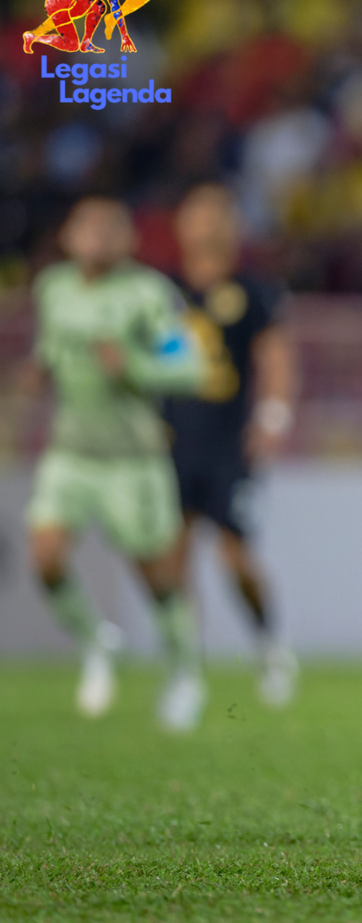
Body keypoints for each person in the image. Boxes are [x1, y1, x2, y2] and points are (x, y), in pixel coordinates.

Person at [25, 197, 207, 729]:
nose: (98, 236)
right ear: (67, 236)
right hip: (70, 451)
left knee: (156, 575)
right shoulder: (53, 288)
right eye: (88, 226)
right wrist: (38, 372)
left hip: (133, 459)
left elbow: (189, 368)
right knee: (45, 557)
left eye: (110, 228)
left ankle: (184, 671)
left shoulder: (149, 294)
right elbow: (51, 349)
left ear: (130, 241)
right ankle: (96, 641)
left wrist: (132, 366)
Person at [165, 185, 299, 707]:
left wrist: (273, 416)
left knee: (235, 556)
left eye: (217, 215)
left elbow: (275, 356)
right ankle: (185, 671)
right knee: (172, 558)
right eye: (197, 215)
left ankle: (269, 644)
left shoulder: (251, 291)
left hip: (228, 444)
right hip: (172, 440)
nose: (207, 225)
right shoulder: (163, 291)